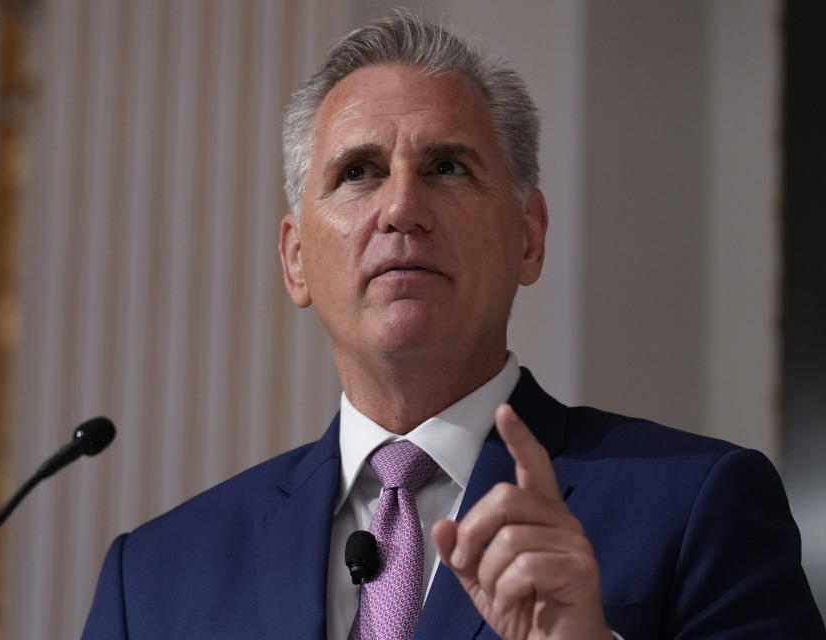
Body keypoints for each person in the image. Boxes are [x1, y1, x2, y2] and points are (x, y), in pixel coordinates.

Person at [81, 12, 825, 640]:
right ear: (297, 258)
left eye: (447, 168)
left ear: (527, 237)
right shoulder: (151, 581)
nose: (402, 208)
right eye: (358, 172)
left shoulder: (698, 508)